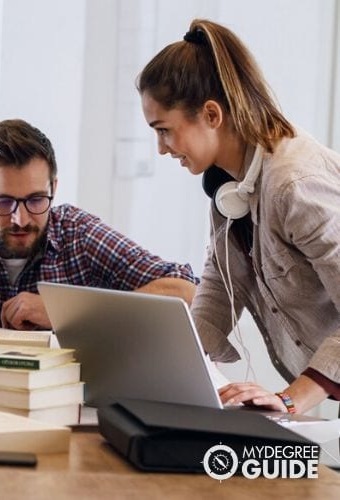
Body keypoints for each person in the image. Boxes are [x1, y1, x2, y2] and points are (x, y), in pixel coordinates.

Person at [138, 19, 340, 414]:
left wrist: (288, 400)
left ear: (211, 114)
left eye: (164, 130)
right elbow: (220, 282)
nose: (161, 148)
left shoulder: (294, 185)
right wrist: (178, 372)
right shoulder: (227, 186)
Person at [0, 119, 197, 329]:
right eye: (3, 202)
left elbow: (186, 292)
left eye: (36, 200)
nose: (21, 220)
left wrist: (65, 312)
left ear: (54, 189)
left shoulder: (79, 235)